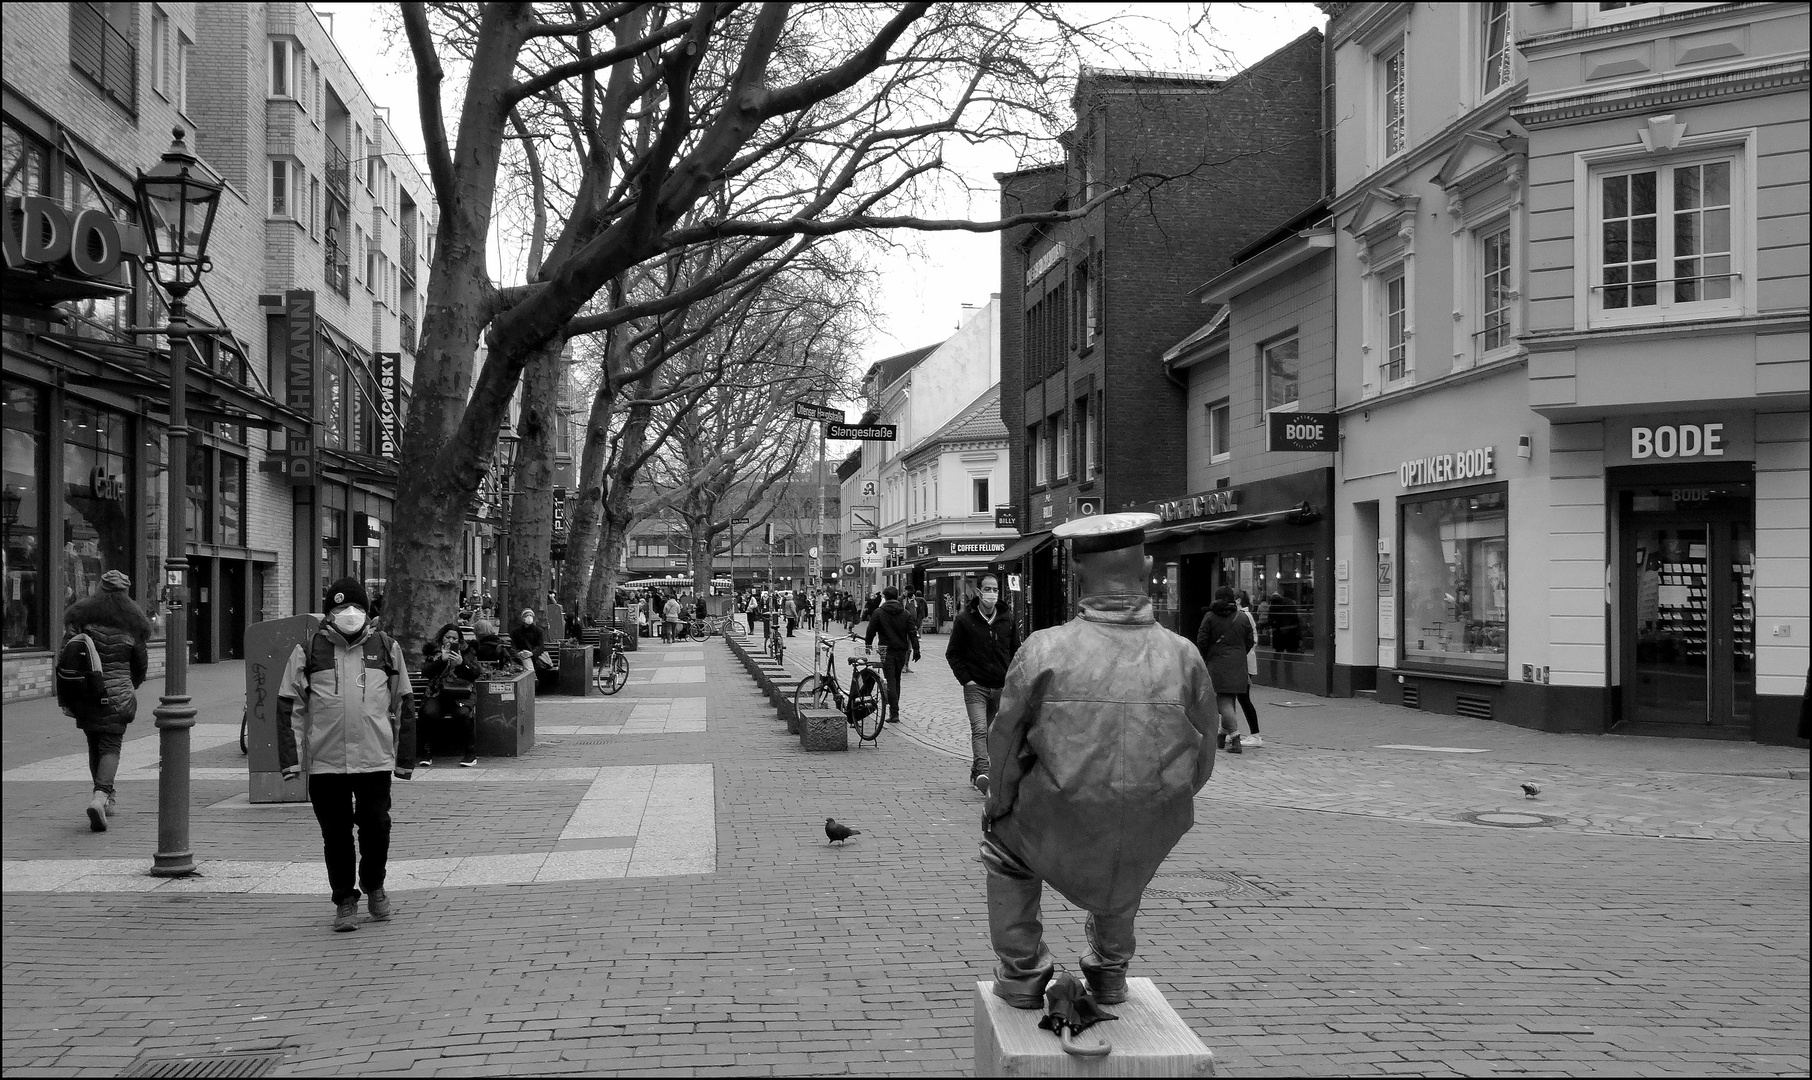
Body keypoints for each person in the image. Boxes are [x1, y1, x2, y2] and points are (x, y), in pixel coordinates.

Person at [982, 513, 1216, 1007]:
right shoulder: (1185, 656)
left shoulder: (1043, 649)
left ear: (1075, 568)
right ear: (1147, 566)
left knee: (1004, 853)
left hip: (1057, 813)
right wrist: (1157, 797)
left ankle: (1024, 974)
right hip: (1150, 815)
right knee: (1129, 853)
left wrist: (998, 804)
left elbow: (1003, 746)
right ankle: (1110, 970)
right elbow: (1204, 757)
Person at [276, 578, 416, 933]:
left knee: (377, 827)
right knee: (336, 835)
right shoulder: (309, 650)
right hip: (327, 762)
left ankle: (373, 883)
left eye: (354, 607)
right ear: (328, 614)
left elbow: (405, 702)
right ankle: (345, 899)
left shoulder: (386, 647)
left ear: (368, 612)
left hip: (374, 758)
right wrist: (290, 760)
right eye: (339, 609)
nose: (348, 614)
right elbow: (288, 705)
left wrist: (405, 758)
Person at [60, 570, 150, 833]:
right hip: (118, 693)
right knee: (111, 745)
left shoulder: (81, 617)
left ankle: (105, 796)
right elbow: (140, 666)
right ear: (126, 592)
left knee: (94, 743)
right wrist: (128, 685)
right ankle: (101, 797)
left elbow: (68, 655)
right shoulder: (135, 623)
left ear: (100, 589)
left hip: (87, 693)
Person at [946, 574, 1020, 796]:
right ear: (978, 592)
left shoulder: (1007, 618)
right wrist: (966, 680)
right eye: (987, 589)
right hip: (975, 686)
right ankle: (984, 773)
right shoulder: (965, 620)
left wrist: (1012, 678)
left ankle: (976, 771)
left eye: (995, 589)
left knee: (993, 732)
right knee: (979, 729)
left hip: (1000, 686)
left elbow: (1016, 651)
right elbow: (953, 654)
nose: (992, 594)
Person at [1196, 586, 1256, 753]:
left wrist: (1207, 656)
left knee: (1223, 702)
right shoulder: (1242, 617)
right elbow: (1250, 640)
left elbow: (1202, 640)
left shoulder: (1210, 616)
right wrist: (1239, 653)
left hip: (1217, 664)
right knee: (1228, 699)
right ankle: (1221, 737)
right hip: (1238, 664)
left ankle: (1235, 737)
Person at [420, 622, 480, 768]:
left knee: (463, 714)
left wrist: (461, 663)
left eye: (454, 638)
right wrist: (442, 661)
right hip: (438, 693)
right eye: (448, 637)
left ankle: (470, 753)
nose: (451, 641)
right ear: (442, 638)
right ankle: (426, 753)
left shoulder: (467, 652)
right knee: (429, 713)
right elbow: (426, 672)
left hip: (461, 694)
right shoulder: (434, 652)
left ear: (459, 640)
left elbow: (475, 673)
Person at [863, 586, 920, 725]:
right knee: (897, 679)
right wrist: (917, 650)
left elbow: (871, 630)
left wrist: (868, 645)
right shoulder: (905, 613)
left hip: (886, 650)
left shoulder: (879, 612)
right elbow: (912, 632)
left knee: (890, 680)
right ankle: (894, 710)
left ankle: (894, 713)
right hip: (901, 651)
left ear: (885, 597)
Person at [1232, 590, 1264, 748]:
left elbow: (1252, 639)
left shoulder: (1245, 616)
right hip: (1243, 661)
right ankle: (1232, 731)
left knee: (1244, 698)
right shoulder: (1242, 615)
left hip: (1245, 662)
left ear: (1238, 601)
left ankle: (1255, 734)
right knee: (1240, 697)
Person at [510, 608, 557, 694]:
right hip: (520, 656)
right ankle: (532, 677)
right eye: (527, 616)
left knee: (526, 658)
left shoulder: (538, 631)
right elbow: (513, 646)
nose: (529, 617)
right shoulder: (515, 632)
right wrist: (518, 653)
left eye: (531, 615)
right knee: (524, 657)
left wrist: (531, 653)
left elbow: (540, 646)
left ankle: (532, 677)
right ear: (522, 618)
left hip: (536, 658)